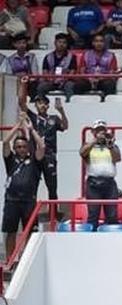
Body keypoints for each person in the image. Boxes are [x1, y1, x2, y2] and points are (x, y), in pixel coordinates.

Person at [17, 80, 67, 215]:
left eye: (44, 103)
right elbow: (21, 102)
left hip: (50, 156)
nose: (42, 105)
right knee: (32, 187)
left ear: (48, 105)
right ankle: (31, 216)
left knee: (52, 188)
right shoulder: (33, 117)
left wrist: (61, 111)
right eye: (39, 103)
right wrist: (23, 84)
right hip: (35, 156)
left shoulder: (54, 118)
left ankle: (53, 216)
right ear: (36, 105)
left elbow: (65, 126)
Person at [1, 115, 43, 261]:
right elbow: (5, 142)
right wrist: (18, 125)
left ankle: (25, 260)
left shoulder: (34, 160)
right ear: (15, 148)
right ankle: (10, 260)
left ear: (28, 148)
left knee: (30, 232)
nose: (21, 149)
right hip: (12, 201)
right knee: (10, 232)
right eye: (18, 147)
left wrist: (31, 130)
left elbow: (42, 147)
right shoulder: (10, 160)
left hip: (29, 201)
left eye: (24, 147)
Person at [80, 121, 121, 229]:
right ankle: (92, 235)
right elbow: (82, 153)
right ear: (93, 132)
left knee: (112, 215)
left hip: (109, 184)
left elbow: (117, 158)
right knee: (93, 214)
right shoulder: (88, 146)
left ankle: (111, 236)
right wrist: (94, 141)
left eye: (103, 130)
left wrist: (110, 145)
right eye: (98, 130)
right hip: (93, 184)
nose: (101, 133)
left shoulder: (112, 146)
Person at [37, 33, 79, 98]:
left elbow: (72, 72)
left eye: (64, 42)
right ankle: (41, 102)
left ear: (67, 44)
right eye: (59, 42)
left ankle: (69, 102)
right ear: (55, 43)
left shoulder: (72, 57)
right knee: (41, 86)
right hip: (51, 81)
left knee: (69, 85)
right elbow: (45, 72)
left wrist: (63, 80)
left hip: (65, 81)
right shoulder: (48, 57)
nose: (61, 44)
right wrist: (51, 80)